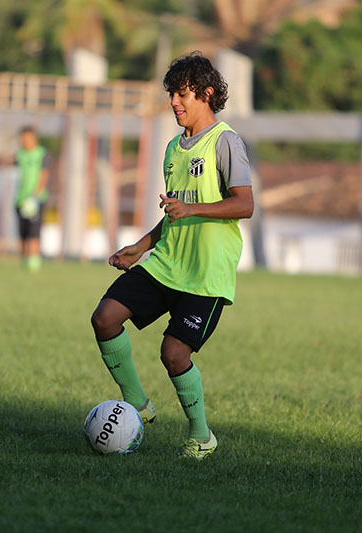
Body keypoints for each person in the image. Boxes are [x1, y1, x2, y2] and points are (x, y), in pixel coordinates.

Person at [90, 52, 254, 459]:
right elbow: (175, 212)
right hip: (166, 262)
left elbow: (245, 204)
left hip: (205, 274)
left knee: (174, 353)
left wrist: (193, 209)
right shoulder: (172, 149)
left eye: (182, 94)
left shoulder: (226, 142)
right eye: (172, 95)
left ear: (207, 93)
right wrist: (140, 247)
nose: (175, 103)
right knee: (105, 317)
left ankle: (201, 436)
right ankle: (138, 405)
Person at [15, 127, 48, 271]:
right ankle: (23, 263)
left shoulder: (41, 154)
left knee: (34, 233)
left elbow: (44, 175)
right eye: (22, 138)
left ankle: (34, 265)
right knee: (23, 233)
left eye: (27, 137)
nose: (24, 141)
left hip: (36, 200)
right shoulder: (20, 155)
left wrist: (35, 197)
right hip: (20, 199)